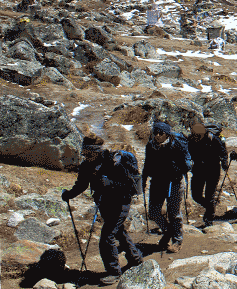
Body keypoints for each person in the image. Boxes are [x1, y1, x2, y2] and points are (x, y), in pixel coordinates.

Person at [62, 134, 143, 286]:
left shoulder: (114, 161)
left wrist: (110, 184)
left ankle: (114, 272)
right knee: (118, 232)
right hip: (104, 204)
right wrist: (69, 194)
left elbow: (127, 185)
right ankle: (136, 258)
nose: (85, 156)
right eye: (84, 153)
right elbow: (81, 184)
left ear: (97, 151)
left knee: (106, 237)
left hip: (121, 203)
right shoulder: (86, 165)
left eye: (88, 153)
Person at [142, 121, 188, 254]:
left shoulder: (176, 145)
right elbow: (147, 164)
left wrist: (175, 169)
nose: (157, 135)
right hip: (157, 182)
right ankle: (168, 232)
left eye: (160, 133)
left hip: (174, 183)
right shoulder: (150, 146)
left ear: (166, 134)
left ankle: (177, 240)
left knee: (174, 213)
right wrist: (143, 180)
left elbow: (187, 164)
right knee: (153, 212)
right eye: (155, 132)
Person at [188, 123, 228, 227]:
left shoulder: (212, 138)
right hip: (198, 170)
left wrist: (224, 162)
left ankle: (209, 218)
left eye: (197, 136)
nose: (196, 138)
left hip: (212, 170)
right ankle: (210, 208)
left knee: (209, 195)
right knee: (196, 195)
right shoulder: (191, 139)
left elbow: (223, 152)